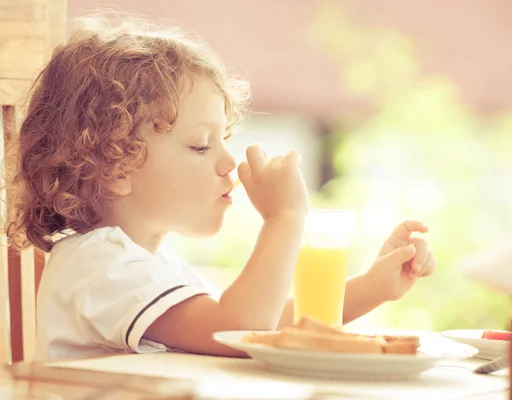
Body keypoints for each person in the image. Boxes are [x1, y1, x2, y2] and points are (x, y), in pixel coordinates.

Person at [6, 12, 437, 361]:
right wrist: (284, 219)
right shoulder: (97, 265)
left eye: (224, 140)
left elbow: (267, 324)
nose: (229, 162)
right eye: (199, 145)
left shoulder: (152, 266)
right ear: (115, 168)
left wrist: (370, 288)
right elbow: (241, 328)